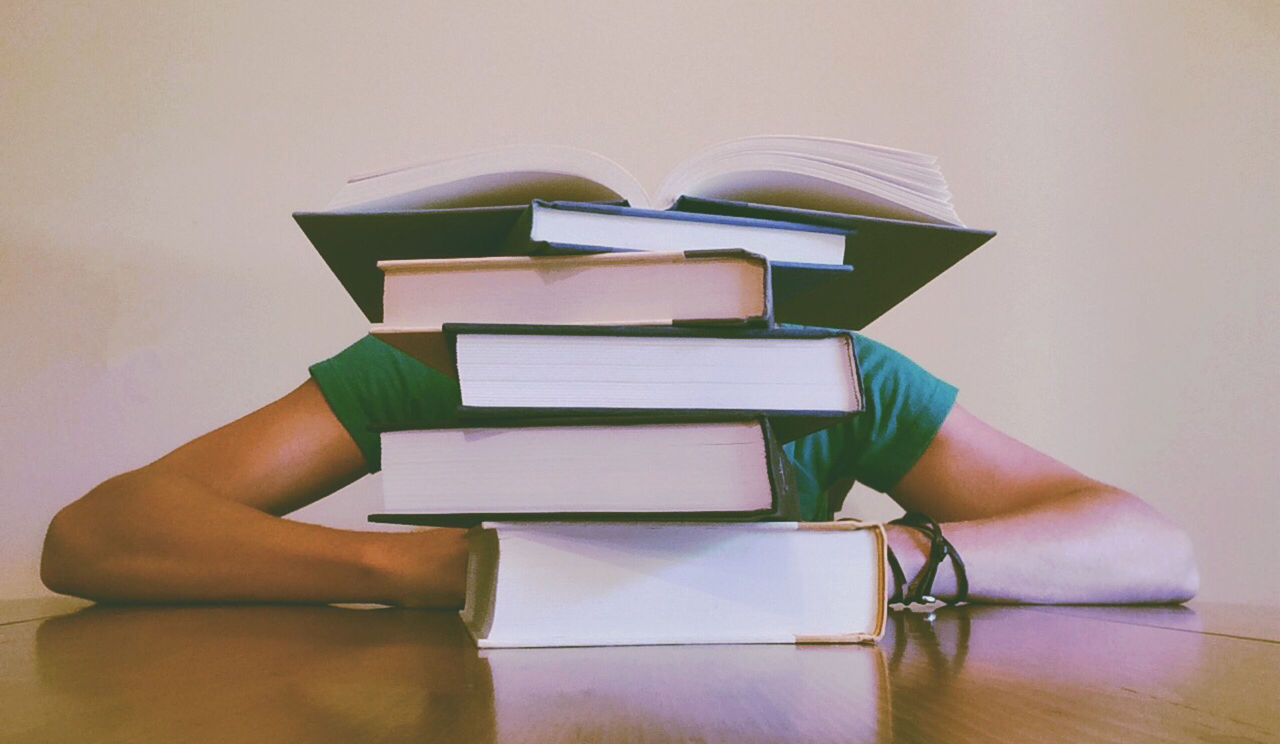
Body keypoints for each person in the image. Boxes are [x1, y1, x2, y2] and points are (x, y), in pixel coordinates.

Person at [39, 333, 1199, 607]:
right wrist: (435, 568)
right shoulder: (439, 357)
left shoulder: (829, 374)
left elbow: (1149, 544)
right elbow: (96, 534)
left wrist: (889, 558)